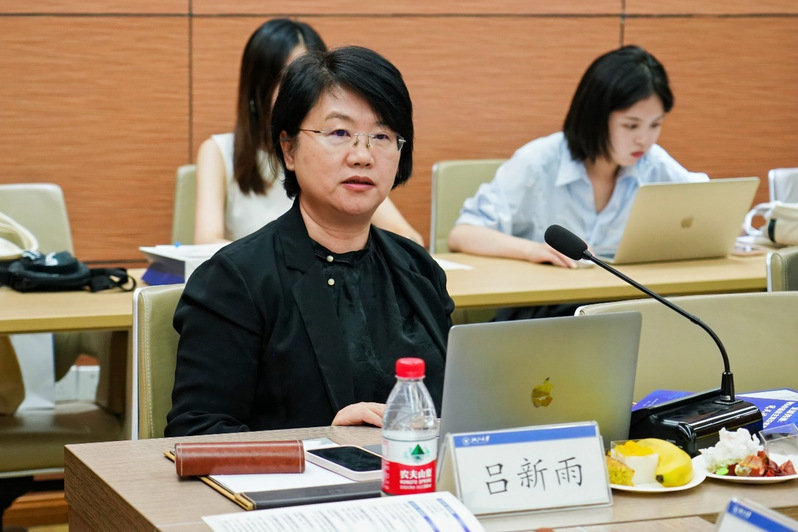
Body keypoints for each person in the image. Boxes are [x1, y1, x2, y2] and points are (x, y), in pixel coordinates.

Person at [165, 46, 453, 436]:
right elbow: (196, 434)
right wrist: (320, 441)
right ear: (289, 149)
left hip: (419, 471)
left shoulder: (419, 269)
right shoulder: (235, 280)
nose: (362, 155)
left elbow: (456, 405)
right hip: (302, 477)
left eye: (382, 136)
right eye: (339, 133)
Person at [448, 45, 708, 270]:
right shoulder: (538, 162)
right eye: (631, 126)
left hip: (619, 300)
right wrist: (532, 250)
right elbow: (463, 234)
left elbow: (710, 209)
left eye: (655, 125)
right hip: (546, 302)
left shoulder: (654, 162)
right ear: (595, 118)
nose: (645, 139)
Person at [194, 18, 424, 246]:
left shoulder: (351, 160)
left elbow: (407, 238)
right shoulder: (218, 151)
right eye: (289, 79)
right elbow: (206, 241)